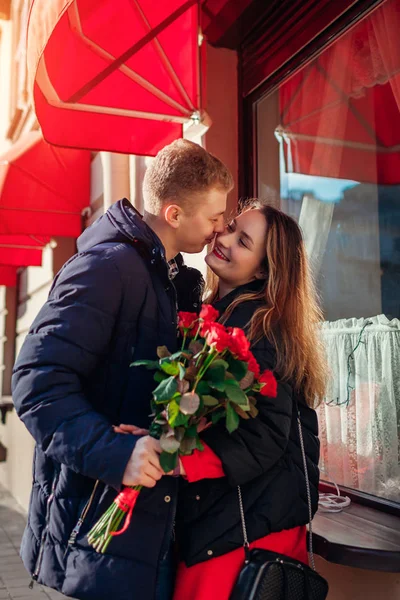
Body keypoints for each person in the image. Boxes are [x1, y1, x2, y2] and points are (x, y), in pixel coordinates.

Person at [11, 139, 233, 600]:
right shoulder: (106, 268)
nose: (220, 228)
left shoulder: (175, 280)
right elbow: (36, 383)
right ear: (174, 215)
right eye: (213, 218)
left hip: (143, 525)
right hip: (95, 518)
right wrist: (116, 454)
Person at [171, 199, 328, 600]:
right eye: (230, 228)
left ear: (262, 269)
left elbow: (265, 436)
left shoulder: (258, 329)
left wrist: (174, 459)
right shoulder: (219, 314)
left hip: (247, 530)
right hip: (233, 521)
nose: (223, 239)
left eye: (242, 241)